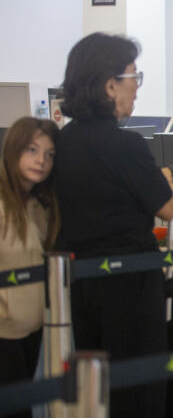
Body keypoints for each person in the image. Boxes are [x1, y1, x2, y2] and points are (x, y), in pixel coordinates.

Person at [54, 33, 173, 418]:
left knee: (93, 388)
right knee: (137, 391)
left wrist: (171, 172)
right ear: (109, 86)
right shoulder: (127, 145)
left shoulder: (63, 142)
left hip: (79, 283)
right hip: (130, 285)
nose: (137, 87)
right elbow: (167, 208)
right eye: (134, 76)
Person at [0, 117, 58, 418]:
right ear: (14, 149)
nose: (41, 161)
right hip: (4, 332)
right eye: (32, 150)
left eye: (49, 154)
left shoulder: (38, 204)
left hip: (32, 329)